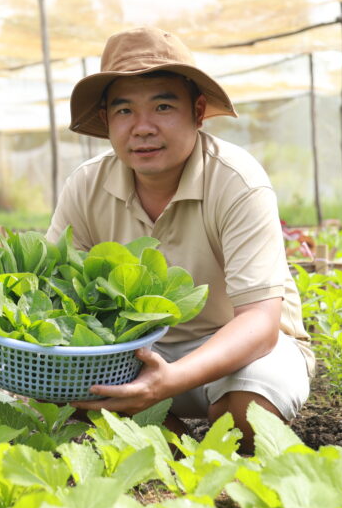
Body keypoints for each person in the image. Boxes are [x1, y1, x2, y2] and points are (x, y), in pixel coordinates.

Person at [45, 26, 314, 452]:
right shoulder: (86, 186)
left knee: (248, 416)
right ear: (106, 119)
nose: (142, 128)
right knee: (59, 395)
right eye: (124, 110)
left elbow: (259, 323)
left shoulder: (237, 181)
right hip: (132, 354)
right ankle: (172, 441)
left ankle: (179, 435)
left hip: (236, 350)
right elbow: (56, 296)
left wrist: (169, 380)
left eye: (163, 106)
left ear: (198, 111)